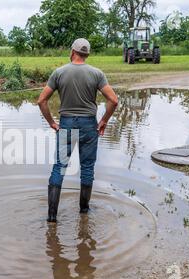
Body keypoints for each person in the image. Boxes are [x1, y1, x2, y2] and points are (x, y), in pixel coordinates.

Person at [38, 38, 119, 223]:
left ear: (72, 51)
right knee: (87, 168)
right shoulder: (97, 74)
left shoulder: (59, 72)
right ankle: (84, 212)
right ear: (87, 54)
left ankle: (52, 217)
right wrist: (104, 120)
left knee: (59, 167)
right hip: (89, 125)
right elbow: (113, 100)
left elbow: (41, 100)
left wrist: (51, 122)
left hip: (66, 124)